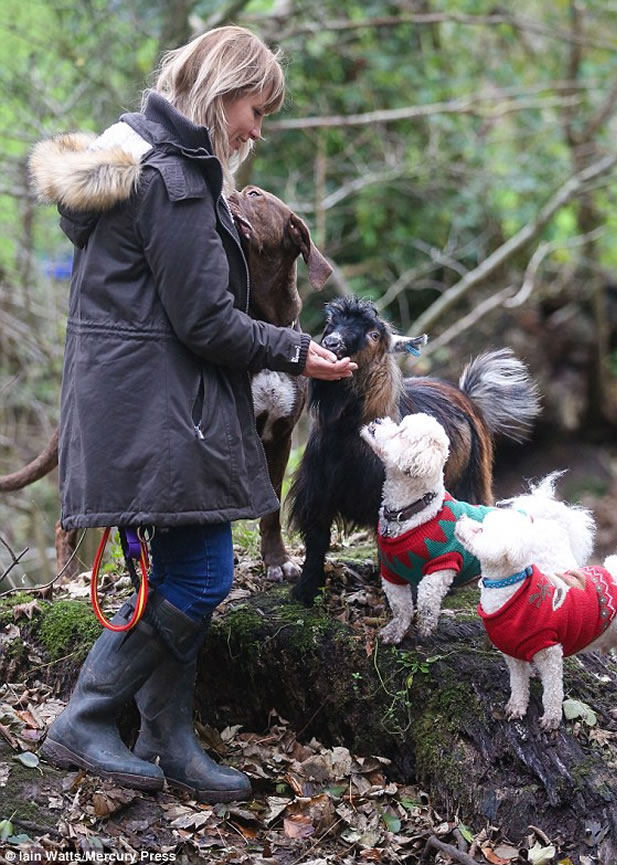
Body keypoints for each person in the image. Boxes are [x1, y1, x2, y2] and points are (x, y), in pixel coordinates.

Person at [30, 25, 356, 803]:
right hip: (157, 417)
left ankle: (167, 740)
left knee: (180, 571)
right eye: (254, 107)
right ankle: (86, 717)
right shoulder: (174, 180)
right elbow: (206, 321)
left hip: (145, 409)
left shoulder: (149, 163)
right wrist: (295, 349)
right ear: (219, 92)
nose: (256, 129)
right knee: (206, 572)